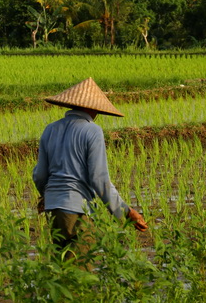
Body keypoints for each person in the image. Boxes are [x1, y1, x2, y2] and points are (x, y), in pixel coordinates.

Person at [33, 77, 147, 253]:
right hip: (76, 209)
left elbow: (40, 175)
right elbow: (99, 179)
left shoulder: (50, 129)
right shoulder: (93, 131)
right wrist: (126, 211)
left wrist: (46, 196)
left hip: (53, 209)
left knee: (61, 266)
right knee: (80, 269)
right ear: (91, 106)